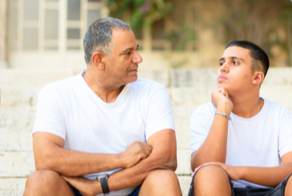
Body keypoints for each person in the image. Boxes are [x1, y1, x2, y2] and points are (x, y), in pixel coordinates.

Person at [24, 17, 181, 196]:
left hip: (135, 191)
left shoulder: (153, 92)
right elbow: (45, 158)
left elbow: (165, 158)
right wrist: (120, 159)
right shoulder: (56, 94)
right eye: (127, 53)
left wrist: (100, 186)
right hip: (74, 192)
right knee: (40, 181)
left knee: (164, 180)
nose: (138, 58)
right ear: (99, 60)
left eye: (136, 50)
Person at [188, 40, 292, 196]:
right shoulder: (205, 113)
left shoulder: (280, 115)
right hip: (222, 190)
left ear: (257, 78)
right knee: (209, 174)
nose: (223, 68)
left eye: (235, 63)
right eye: (221, 62)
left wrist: (240, 172)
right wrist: (223, 111)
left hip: (270, 191)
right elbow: (203, 168)